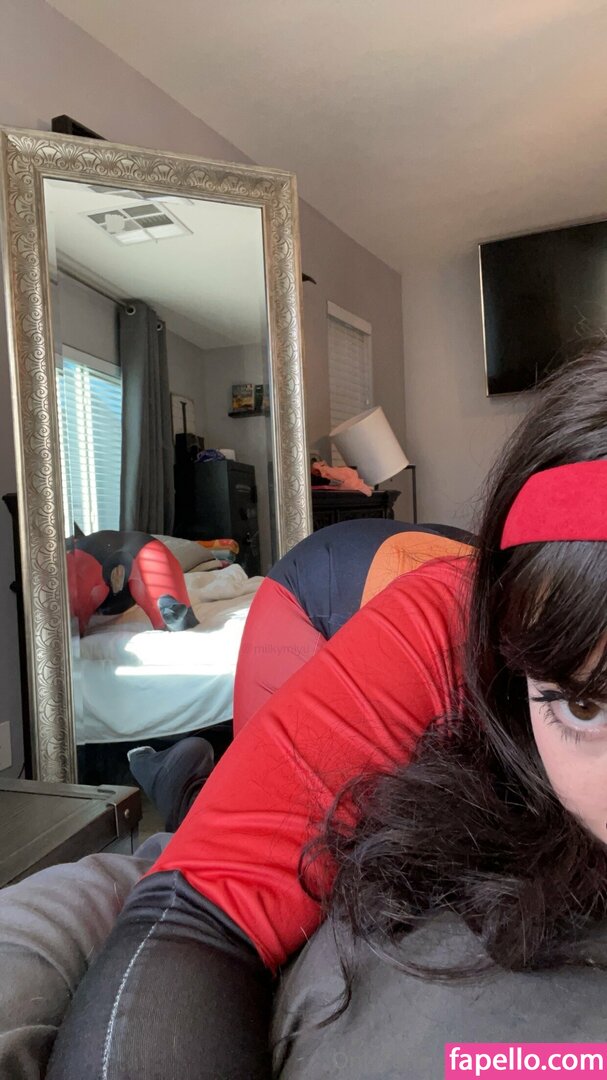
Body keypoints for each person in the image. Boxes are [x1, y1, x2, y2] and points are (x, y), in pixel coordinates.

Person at [47, 349, 607, 1079]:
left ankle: (187, 778)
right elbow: (196, 910)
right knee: (256, 835)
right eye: (585, 702)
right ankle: (188, 790)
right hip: (318, 598)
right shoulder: (448, 633)